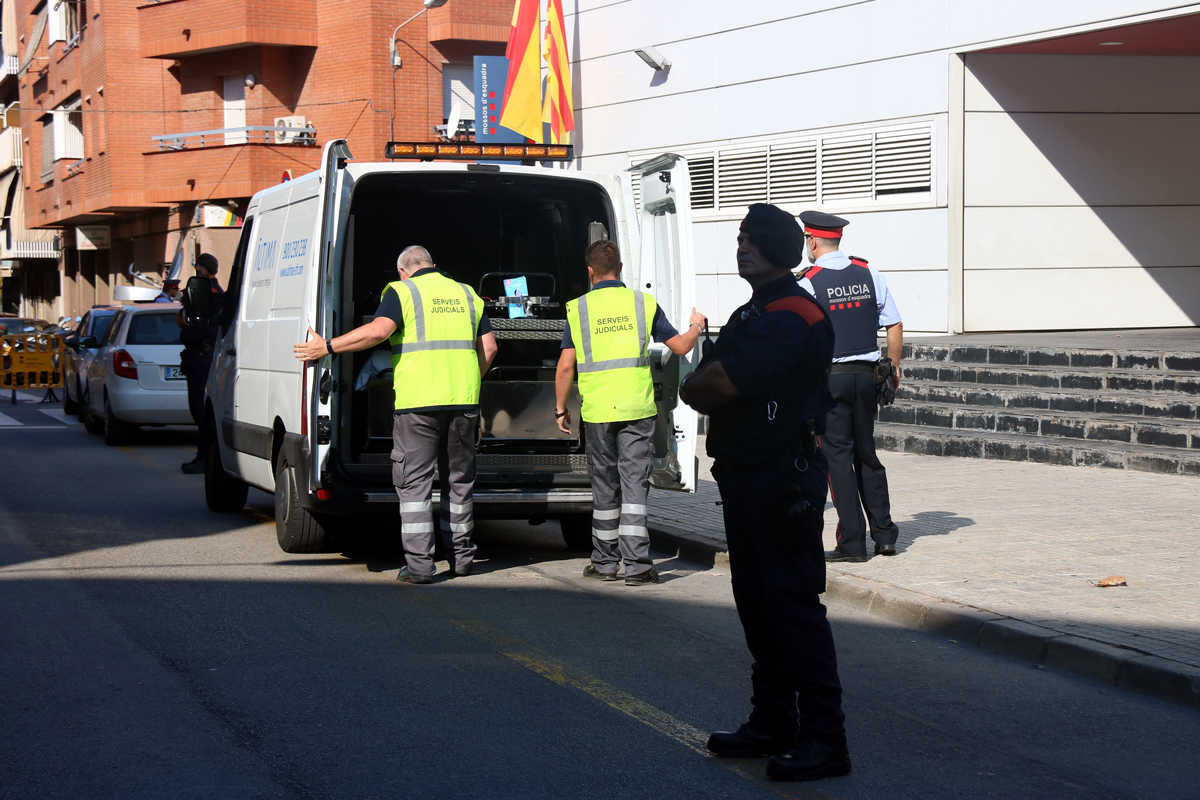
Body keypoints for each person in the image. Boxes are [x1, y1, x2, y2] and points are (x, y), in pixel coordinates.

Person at [680, 203, 850, 782]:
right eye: (740, 239)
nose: (742, 248)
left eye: (752, 240)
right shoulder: (753, 312)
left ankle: (825, 739)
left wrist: (708, 384)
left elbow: (715, 383)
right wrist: (705, 383)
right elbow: (701, 380)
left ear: (779, 248)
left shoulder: (791, 315)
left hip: (783, 477)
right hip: (748, 475)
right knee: (757, 604)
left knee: (792, 606)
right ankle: (772, 720)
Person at [293, 245, 498, 583]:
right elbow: (489, 347)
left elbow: (378, 332)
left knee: (415, 485)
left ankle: (420, 567)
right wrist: (470, 379)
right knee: (459, 481)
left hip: (418, 405)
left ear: (403, 271)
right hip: (463, 402)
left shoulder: (401, 291)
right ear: (434, 265)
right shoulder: (467, 293)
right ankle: (462, 558)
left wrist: (327, 347)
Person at [554, 240, 705, 586]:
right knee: (634, 486)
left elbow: (565, 366)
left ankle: (604, 563)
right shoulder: (643, 303)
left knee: (604, 486)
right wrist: (696, 325)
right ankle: (637, 566)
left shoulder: (578, 309)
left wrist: (560, 408)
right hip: (637, 409)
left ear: (589, 272)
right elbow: (680, 347)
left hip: (597, 412)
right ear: (620, 269)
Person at [797, 210, 902, 562]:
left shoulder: (807, 282)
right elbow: (894, 323)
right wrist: (894, 366)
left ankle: (852, 543)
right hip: (868, 376)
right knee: (867, 454)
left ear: (811, 241)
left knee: (837, 458)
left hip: (832, 380)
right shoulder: (868, 272)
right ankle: (885, 536)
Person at [179, 253, 224, 474]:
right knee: (199, 411)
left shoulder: (206, 292)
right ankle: (206, 456)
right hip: (201, 357)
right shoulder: (206, 291)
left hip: (202, 357)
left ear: (204, 269)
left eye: (198, 267)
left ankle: (205, 457)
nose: (196, 269)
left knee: (201, 411)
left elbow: (205, 326)